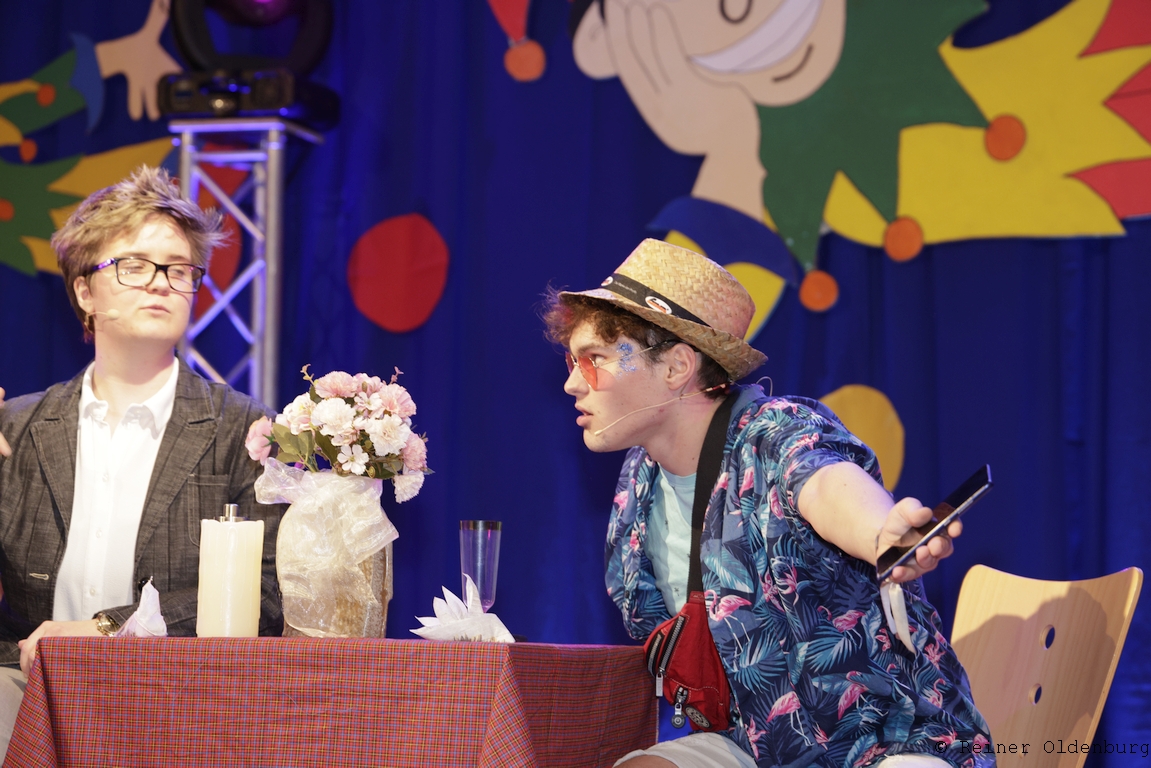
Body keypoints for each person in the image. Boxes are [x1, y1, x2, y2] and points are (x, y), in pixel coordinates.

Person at [543, 239, 993, 768]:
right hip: (757, 743)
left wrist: (881, 534)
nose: (571, 383)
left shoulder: (774, 433)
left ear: (676, 366)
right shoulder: (636, 483)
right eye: (572, 361)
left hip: (885, 741)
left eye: (594, 360)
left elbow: (823, 481)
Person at [0, 166, 283, 754]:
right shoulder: (17, 428)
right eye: (134, 265)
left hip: (183, 698)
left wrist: (109, 629)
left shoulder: (244, 430)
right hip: (25, 694)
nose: (160, 283)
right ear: (85, 291)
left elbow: (269, 594)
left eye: (179, 271)